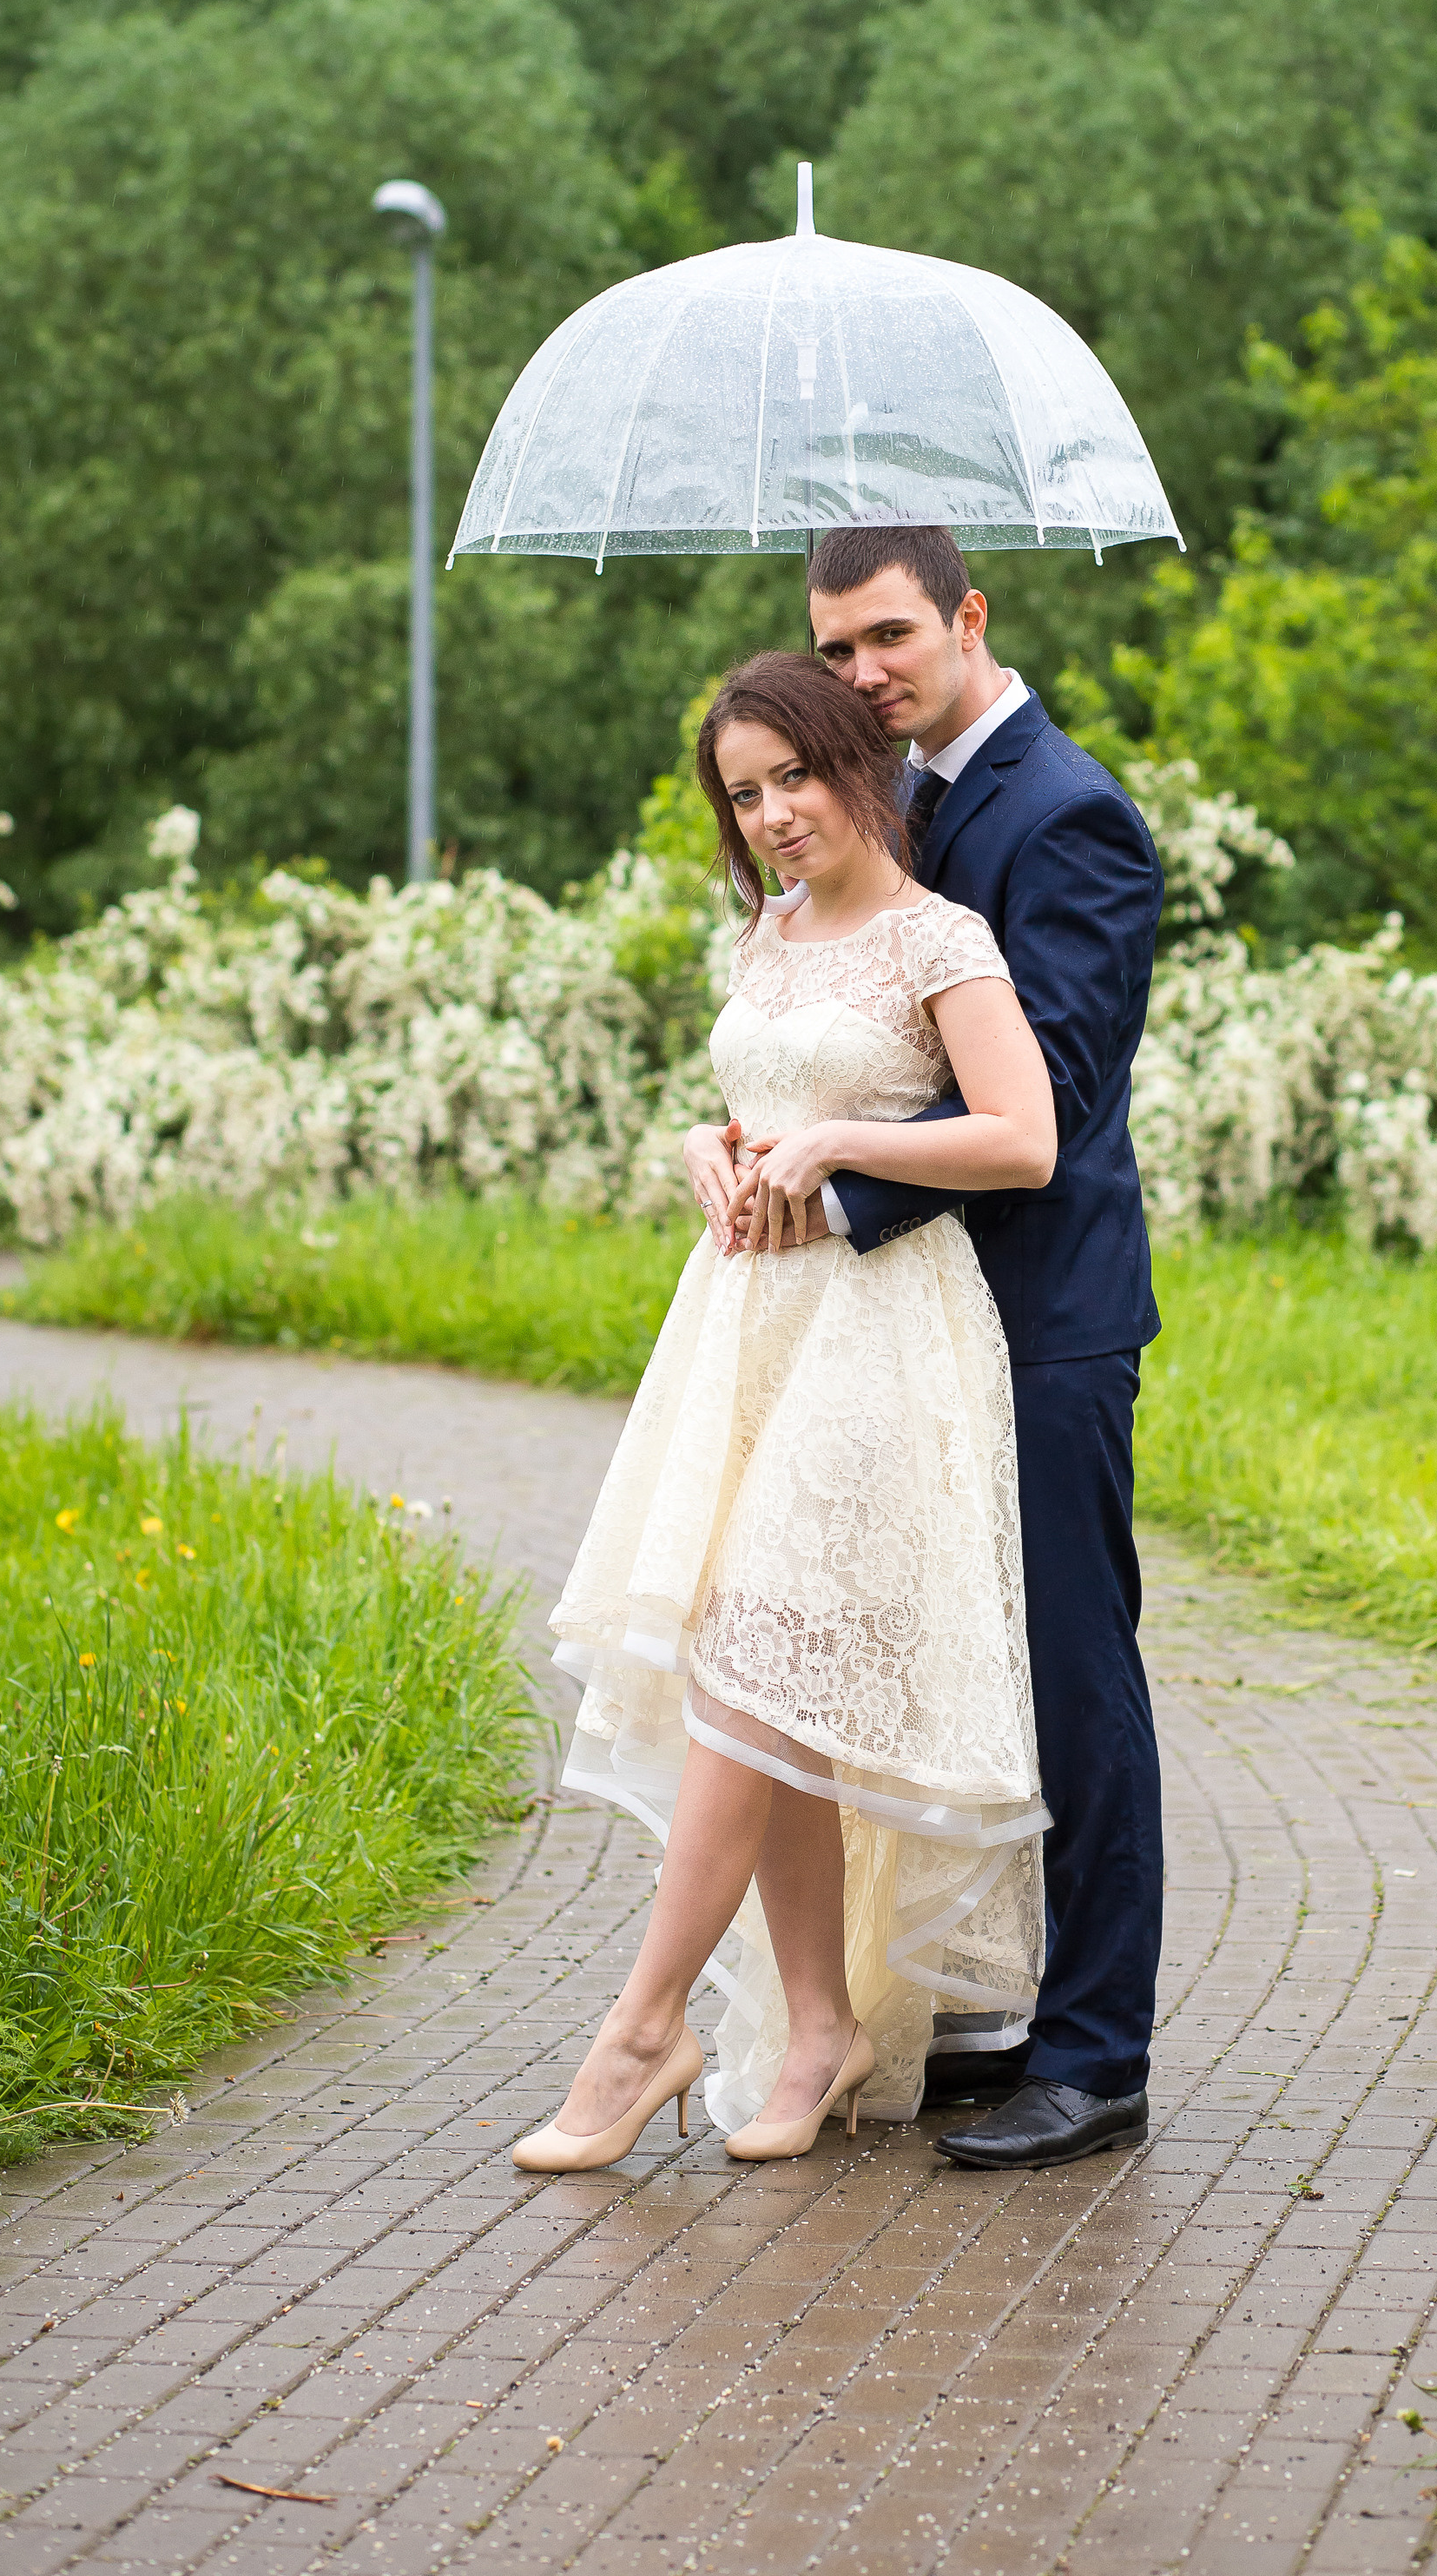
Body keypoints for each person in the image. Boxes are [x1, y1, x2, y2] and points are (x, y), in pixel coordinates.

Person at [511, 650, 1059, 2171]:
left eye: (792, 780)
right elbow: (755, 1087)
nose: (769, 816)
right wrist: (714, 1140)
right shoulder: (763, 936)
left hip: (883, 1331)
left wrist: (828, 1143)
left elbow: (1023, 1137)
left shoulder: (938, 938)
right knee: (771, 1678)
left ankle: (641, 2026)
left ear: (851, 767)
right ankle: (818, 2027)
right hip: (747, 1319)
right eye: (742, 795)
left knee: (756, 1667)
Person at [724, 526, 1165, 2173]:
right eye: (833, 651)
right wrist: (748, 1137)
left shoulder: (1072, 815)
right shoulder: (878, 805)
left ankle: (1099, 2053)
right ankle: (979, 2013)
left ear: (969, 617)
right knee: (921, 1663)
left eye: (889, 638)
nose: (861, 675)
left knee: (1071, 1671)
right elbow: (850, 1019)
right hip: (891, 1326)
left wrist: (826, 1175)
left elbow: (1037, 1095)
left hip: (1041, 1319)